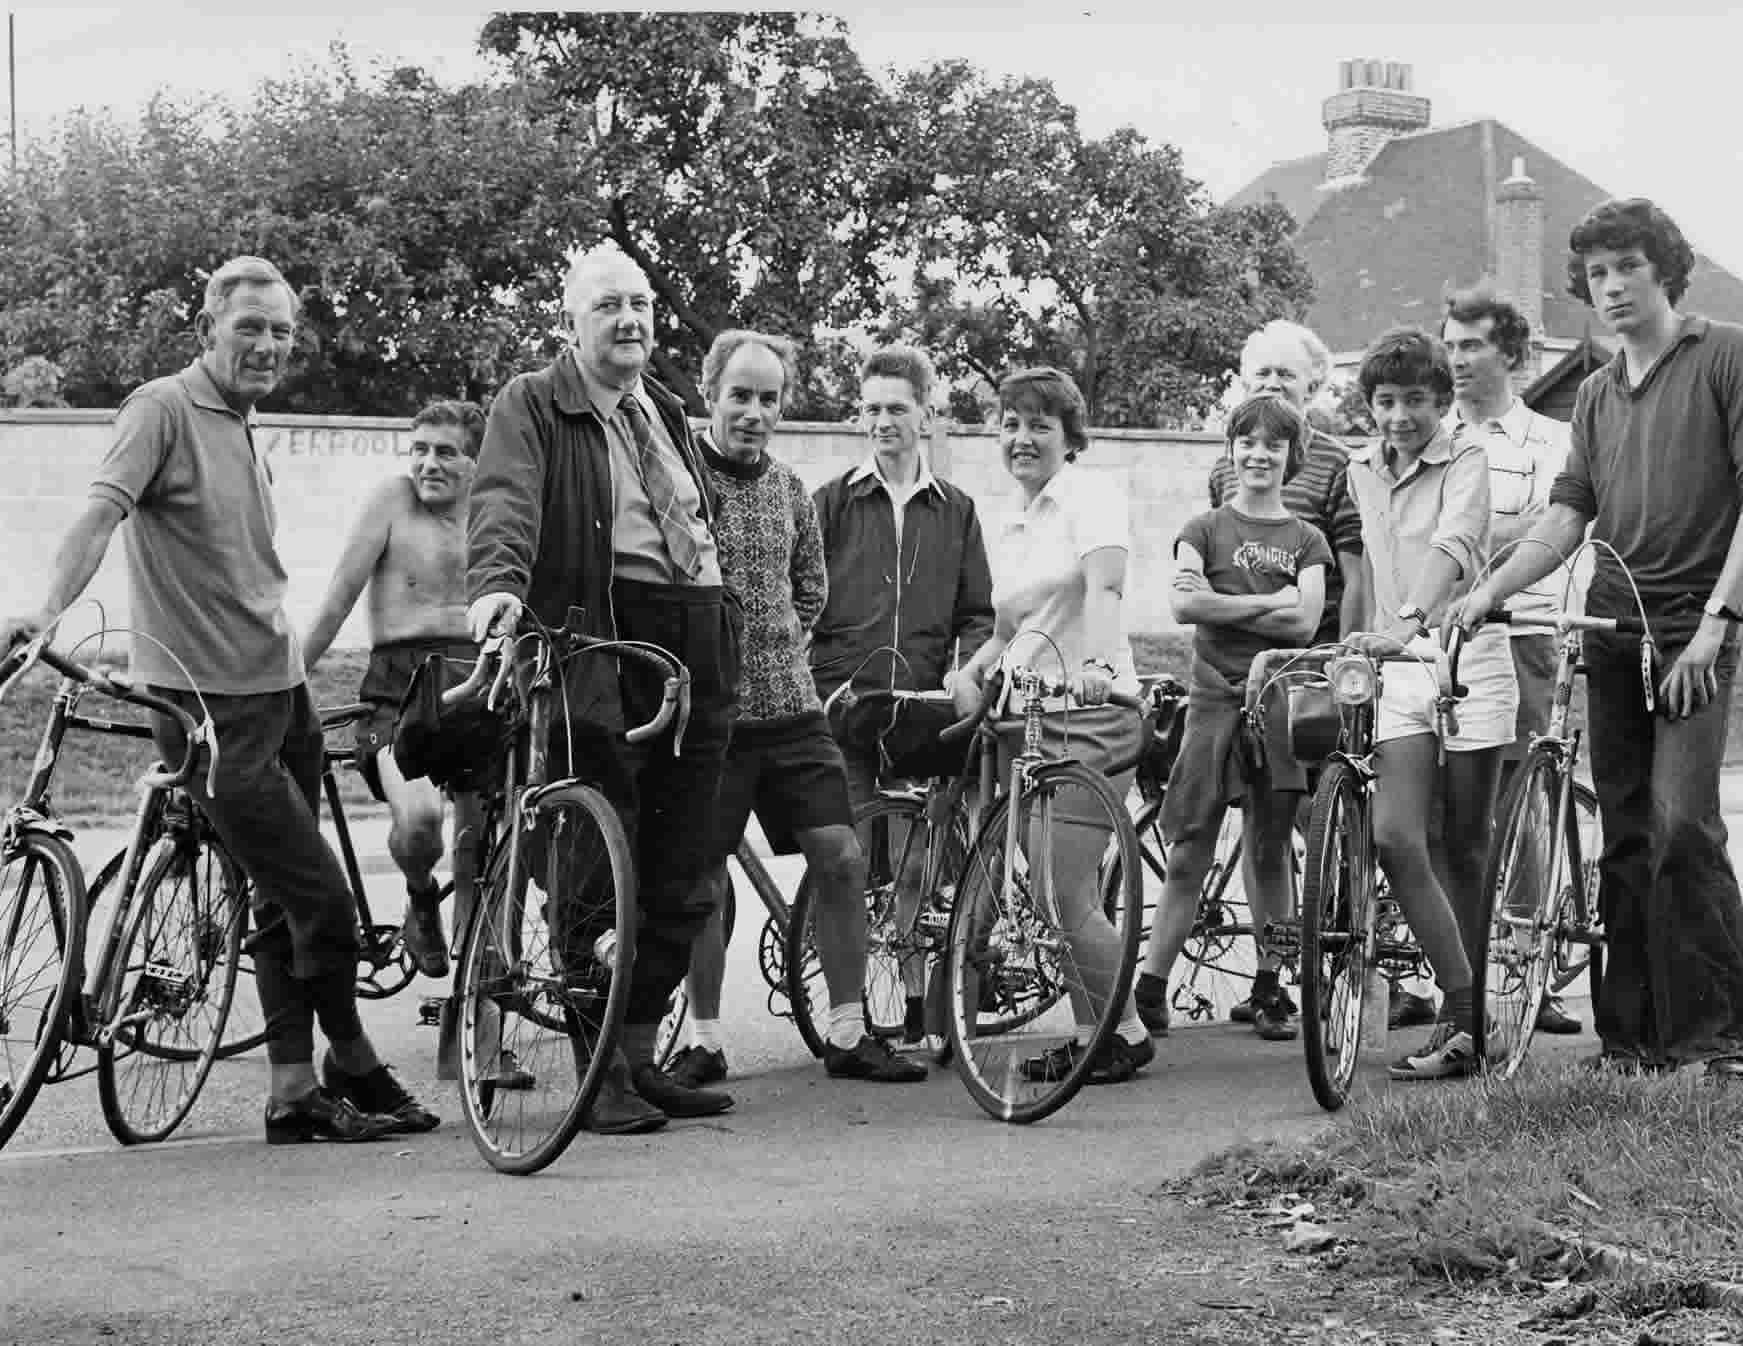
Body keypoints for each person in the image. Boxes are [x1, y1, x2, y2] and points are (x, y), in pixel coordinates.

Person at [2, 256, 434, 1142]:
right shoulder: (161, 409)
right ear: (207, 330)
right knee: (322, 900)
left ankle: (292, 1094)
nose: (268, 344)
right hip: (208, 710)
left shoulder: (242, 421)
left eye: (281, 331)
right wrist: (48, 610)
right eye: (250, 327)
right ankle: (354, 1062)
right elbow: (100, 512)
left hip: (282, 693)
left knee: (278, 898)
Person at [1455, 198, 1743, 1078]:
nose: (1611, 286)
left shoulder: (1724, 355)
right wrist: (1489, 588)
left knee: (1682, 825)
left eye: (1627, 268)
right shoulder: (1593, 392)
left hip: (1693, 627)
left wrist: (1717, 625)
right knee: (1623, 834)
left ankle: (1720, 1033)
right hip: (1612, 625)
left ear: (1664, 271)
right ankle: (1630, 1038)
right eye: (1596, 274)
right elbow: (1567, 513)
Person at [467, 244, 741, 1133]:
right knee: (597, 863)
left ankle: (637, 1052)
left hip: (697, 634)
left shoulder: (662, 407)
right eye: (608, 306)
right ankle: (598, 1072)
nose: (630, 320)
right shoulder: (533, 402)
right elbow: (504, 500)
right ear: (570, 323)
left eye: (640, 304)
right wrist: (498, 586)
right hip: (602, 639)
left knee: (686, 865)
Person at [666, 330, 925, 1089]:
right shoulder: (677, 480)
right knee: (702, 877)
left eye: (768, 399)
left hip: (792, 710)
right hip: (710, 720)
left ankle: (848, 1033)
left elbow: (811, 588)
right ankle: (705, 1041)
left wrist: (773, 648)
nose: (754, 412)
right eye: (739, 396)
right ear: (710, 395)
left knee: (841, 857)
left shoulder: (788, 488)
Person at [952, 366, 1154, 1085]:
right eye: (1010, 423)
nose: (1022, 437)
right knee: (1047, 892)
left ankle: (1123, 1033)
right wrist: (973, 669)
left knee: (1060, 889)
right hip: (1029, 717)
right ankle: (1095, 1032)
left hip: (1089, 712)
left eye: (1039, 424)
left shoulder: (1089, 496)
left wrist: (1097, 662)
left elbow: (1104, 584)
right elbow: (1016, 627)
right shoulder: (1014, 520)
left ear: (1070, 437)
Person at [1345, 326, 1517, 1081]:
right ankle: (1466, 1005)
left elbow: (1454, 545)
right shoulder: (1360, 469)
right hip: (1397, 665)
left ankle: (1463, 1026)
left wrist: (1410, 619)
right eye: (1385, 401)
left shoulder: (1468, 456)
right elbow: (1368, 567)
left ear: (1443, 401)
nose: (1399, 416)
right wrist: (1359, 640)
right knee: (1395, 836)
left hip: (1466, 653)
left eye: (1415, 399)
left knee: (1465, 844)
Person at [1136, 394, 1332, 1043]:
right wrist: (1267, 603)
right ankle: (1151, 987)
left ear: (1291, 456)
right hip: (1211, 701)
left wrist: (1222, 603)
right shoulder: (1203, 529)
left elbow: (1304, 623)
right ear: (1231, 449)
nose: (1258, 454)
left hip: (1276, 701)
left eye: (1273, 444)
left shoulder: (1306, 540)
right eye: (1247, 441)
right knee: (1189, 845)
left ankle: (1271, 985)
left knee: (1270, 850)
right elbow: (1182, 607)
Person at [1206, 319, 1371, 1030]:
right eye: (1260, 374)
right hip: (1246, 671)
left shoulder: (1337, 463)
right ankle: (1271, 978)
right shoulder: (1227, 464)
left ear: (1315, 385)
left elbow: (1355, 573)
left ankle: (1352, 960)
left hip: (1317, 664)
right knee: (1263, 824)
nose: (1271, 386)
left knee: (1324, 818)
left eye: (1286, 375)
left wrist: (1346, 655)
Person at [301, 400, 486, 982]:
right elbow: (338, 597)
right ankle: (420, 893)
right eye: (420, 449)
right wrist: (289, 681)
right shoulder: (392, 501)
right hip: (399, 685)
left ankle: (474, 983)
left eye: (446, 452)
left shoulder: (492, 514)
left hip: (476, 679)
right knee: (421, 820)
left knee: (479, 841)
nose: (428, 464)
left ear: (475, 462)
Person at [1442, 285, 1582, 1036]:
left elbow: (1552, 527)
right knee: (1444, 810)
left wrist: (1463, 542)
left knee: (1522, 802)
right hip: (1443, 638)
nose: (1458, 359)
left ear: (1512, 354)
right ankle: (1445, 972)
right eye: (1451, 345)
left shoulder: (1550, 441)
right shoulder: (1431, 436)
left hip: (1523, 630)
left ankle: (1529, 972)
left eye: (1472, 345)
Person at [810, 344, 995, 806]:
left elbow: (977, 614)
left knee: (913, 852)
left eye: (896, 409)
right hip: (843, 714)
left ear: (925, 416)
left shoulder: (957, 510)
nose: (882, 421)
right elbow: (800, 602)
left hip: (923, 717)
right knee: (847, 846)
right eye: (872, 409)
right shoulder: (830, 503)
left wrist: (960, 675)